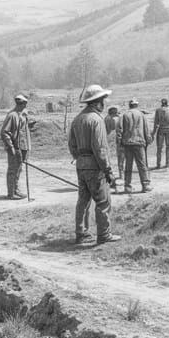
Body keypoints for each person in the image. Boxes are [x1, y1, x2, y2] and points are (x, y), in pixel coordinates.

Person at [68, 84, 121, 246]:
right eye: (102, 100)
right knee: (103, 201)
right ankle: (104, 234)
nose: (104, 103)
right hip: (95, 166)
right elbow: (100, 149)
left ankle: (81, 233)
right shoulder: (96, 120)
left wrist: (81, 158)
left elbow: (71, 145)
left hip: (81, 165)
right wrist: (108, 171)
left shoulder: (77, 119)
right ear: (97, 102)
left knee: (83, 200)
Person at [0, 94, 31, 200]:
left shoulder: (22, 115)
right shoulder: (12, 115)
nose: (25, 106)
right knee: (13, 170)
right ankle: (11, 193)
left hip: (22, 147)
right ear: (21, 104)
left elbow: (21, 130)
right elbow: (4, 132)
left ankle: (16, 190)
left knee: (18, 169)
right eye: (24, 104)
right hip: (15, 147)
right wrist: (11, 147)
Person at [118, 98, 152, 193]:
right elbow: (146, 129)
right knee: (142, 165)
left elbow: (120, 130)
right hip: (139, 142)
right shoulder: (141, 115)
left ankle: (127, 186)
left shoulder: (124, 115)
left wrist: (120, 143)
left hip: (127, 143)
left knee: (128, 165)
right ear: (136, 105)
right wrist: (148, 140)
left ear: (130, 105)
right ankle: (145, 185)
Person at [151, 98, 169, 169]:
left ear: (161, 104)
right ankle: (167, 163)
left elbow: (155, 123)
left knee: (159, 148)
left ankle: (158, 164)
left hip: (161, 130)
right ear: (167, 104)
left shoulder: (158, 110)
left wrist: (153, 133)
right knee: (168, 147)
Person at [104, 106, 124, 182]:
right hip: (120, 141)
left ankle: (111, 175)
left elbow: (108, 130)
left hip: (115, 141)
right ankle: (121, 175)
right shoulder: (119, 118)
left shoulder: (107, 119)